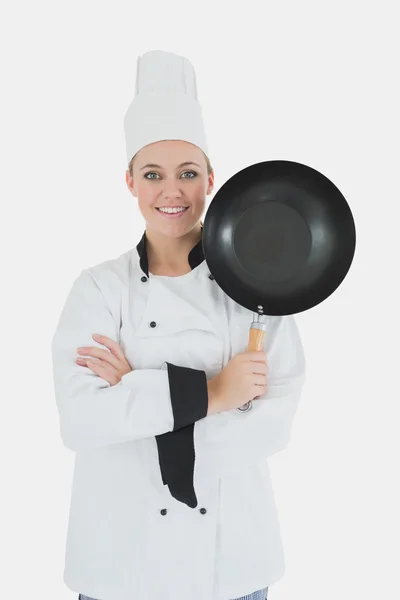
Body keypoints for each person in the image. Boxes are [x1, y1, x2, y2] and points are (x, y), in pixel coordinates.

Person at [51, 50, 306, 600]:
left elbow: (272, 424)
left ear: (210, 179)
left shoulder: (257, 293)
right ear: (130, 182)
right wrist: (218, 391)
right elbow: (81, 421)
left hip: (231, 567)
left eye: (188, 173)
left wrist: (134, 392)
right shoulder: (98, 289)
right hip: (118, 564)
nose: (172, 192)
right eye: (153, 174)